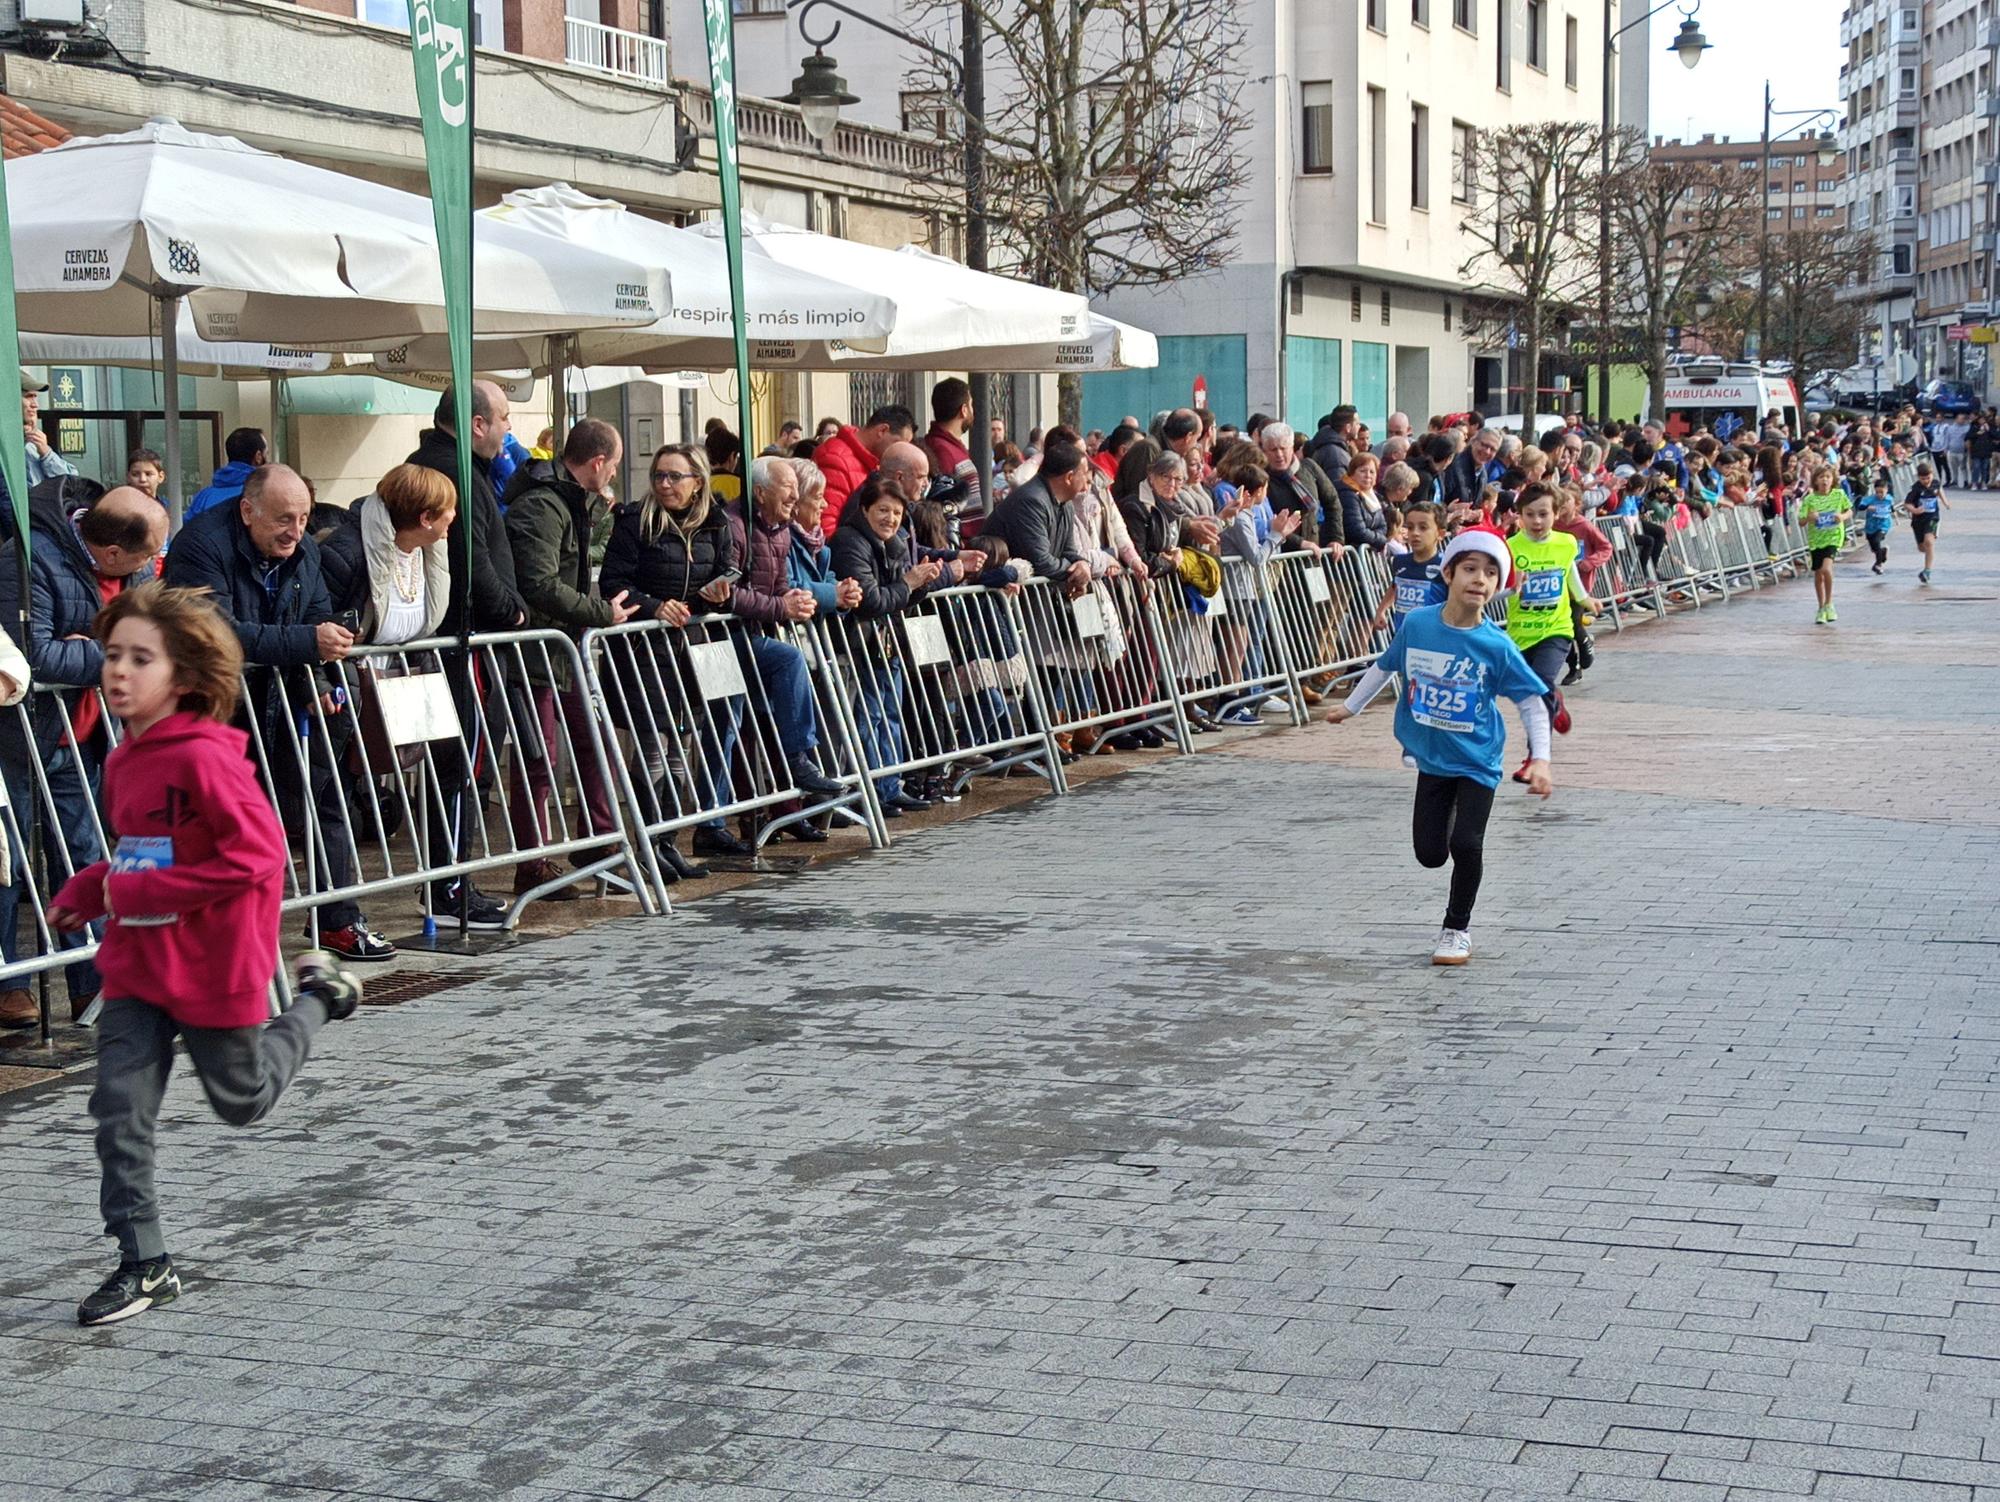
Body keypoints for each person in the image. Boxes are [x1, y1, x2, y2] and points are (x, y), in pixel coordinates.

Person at [48, 584, 361, 1327]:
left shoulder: (206, 759)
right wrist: (92, 887)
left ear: (184, 676)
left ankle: (322, 996)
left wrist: (135, 890)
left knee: (244, 1100)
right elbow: (138, 856)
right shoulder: (124, 760)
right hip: (138, 967)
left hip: (215, 963)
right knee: (119, 1111)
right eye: (111, 655)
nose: (117, 672)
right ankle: (144, 1262)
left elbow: (257, 858)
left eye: (138, 659)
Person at [163, 464, 396, 963]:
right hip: (218, 703)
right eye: (284, 520)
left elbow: (318, 614)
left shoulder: (304, 548)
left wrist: (323, 677)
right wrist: (305, 644)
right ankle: (218, 934)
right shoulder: (200, 546)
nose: (296, 531)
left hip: (284, 693)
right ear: (248, 511)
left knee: (327, 799)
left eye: (305, 517)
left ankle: (338, 919)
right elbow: (217, 634)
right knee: (223, 821)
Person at [1327, 528, 1553, 967]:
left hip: (1477, 760)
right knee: (1430, 854)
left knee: (1467, 845)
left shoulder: (1496, 645)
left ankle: (1456, 929)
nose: (1480, 580)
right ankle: (1448, 827)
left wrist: (1540, 758)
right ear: (1447, 573)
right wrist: (1351, 707)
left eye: (1491, 573)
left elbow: (1530, 700)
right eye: (1470, 569)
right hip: (1431, 758)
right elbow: (1386, 665)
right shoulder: (1418, 624)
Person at [0, 484, 164, 1027]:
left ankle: (93, 981)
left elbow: (153, 634)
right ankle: (8, 982)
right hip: (17, 740)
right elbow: (35, 657)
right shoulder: (29, 558)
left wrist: (90, 649)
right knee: (10, 865)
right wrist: (115, 654)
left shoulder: (131, 566)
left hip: (80, 736)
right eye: (148, 557)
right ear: (112, 553)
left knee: (84, 855)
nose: (153, 567)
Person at [406, 381, 524, 928]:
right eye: (502, 418)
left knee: (457, 764)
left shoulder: (447, 465)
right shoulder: (452, 472)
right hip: (461, 642)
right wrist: (514, 612)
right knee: (461, 763)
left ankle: (449, 879)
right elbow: (471, 564)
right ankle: (449, 883)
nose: (507, 429)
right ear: (477, 423)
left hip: (455, 640)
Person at [502, 419, 637, 893]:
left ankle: (598, 846)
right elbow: (538, 582)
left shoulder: (572, 502)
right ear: (597, 462)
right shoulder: (543, 504)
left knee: (596, 742)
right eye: (614, 466)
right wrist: (599, 611)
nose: (615, 476)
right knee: (539, 759)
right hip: (538, 650)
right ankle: (533, 863)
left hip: (565, 647)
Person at [829, 475, 941, 816]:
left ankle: (890, 785)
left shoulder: (895, 541)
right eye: (882, 510)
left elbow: (900, 597)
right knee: (869, 716)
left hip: (885, 642)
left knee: (890, 713)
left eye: (896, 512)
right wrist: (909, 582)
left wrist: (921, 581)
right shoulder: (851, 542)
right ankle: (872, 788)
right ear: (864, 510)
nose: (889, 519)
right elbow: (872, 600)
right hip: (859, 644)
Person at [1504, 483, 1589, 763]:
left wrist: (1585, 598)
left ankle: (1535, 756)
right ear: (1520, 516)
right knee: (1531, 694)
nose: (1537, 521)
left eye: (1543, 514)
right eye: (1530, 514)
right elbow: (1498, 585)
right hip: (1521, 633)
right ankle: (1557, 703)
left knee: (1540, 683)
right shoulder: (1510, 547)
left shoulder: (1565, 543)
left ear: (1556, 514)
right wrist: (1511, 588)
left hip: (1556, 629)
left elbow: (1570, 573)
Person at [818, 405, 918, 520]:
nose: (900, 452)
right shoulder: (834, 458)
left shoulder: (875, 461)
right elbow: (827, 522)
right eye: (898, 444)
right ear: (882, 430)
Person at [1373, 500, 1445, 637]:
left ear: (1440, 534)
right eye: (1410, 527)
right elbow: (1395, 586)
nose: (1415, 533)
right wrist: (1381, 610)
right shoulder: (1400, 561)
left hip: (1433, 637)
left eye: (1423, 528)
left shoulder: (1446, 565)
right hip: (1403, 636)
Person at [922, 378, 983, 520]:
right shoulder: (942, 450)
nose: (973, 411)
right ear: (964, 410)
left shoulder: (951, 446)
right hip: (958, 538)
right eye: (971, 405)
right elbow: (942, 505)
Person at [1799, 463, 1851, 625]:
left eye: (1828, 477)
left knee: (1826, 568)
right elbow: (1801, 521)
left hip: (1834, 537)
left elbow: (1849, 510)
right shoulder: (1809, 499)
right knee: (1818, 574)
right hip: (1816, 540)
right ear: (1815, 480)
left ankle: (1829, 603)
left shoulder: (1839, 494)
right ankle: (1821, 607)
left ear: (1832, 479)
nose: (1825, 480)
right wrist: (1809, 518)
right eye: (1821, 477)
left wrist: (1842, 517)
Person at [183, 428, 269, 522]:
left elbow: (188, 532)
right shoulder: (267, 494)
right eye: (267, 453)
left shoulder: (203, 497)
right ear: (258, 457)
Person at [20, 371, 77, 489]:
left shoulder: (33, 446)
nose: (35, 405)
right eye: (28, 396)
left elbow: (72, 484)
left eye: (35, 397)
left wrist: (46, 453)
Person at [1904, 460, 1949, 583]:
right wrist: (1915, 510)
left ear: (1932, 475)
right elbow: (1907, 504)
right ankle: (1928, 552)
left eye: (1928, 478)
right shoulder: (1916, 489)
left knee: (1929, 542)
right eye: (1923, 479)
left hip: (1932, 517)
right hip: (1918, 520)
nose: (1926, 481)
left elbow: (1939, 490)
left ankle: (1927, 571)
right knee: (1922, 548)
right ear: (1918, 477)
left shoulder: (1935, 483)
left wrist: (1945, 502)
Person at [1860, 471, 1896, 575]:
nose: (1879, 495)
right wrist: (1867, 507)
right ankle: (1882, 552)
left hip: (1883, 525)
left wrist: (1892, 511)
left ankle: (1878, 565)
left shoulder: (1889, 499)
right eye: (1877, 492)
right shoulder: (1870, 499)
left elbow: (1892, 509)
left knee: (1876, 541)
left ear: (1886, 490)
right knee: (1874, 547)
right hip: (1871, 526)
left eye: (1882, 492)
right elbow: (1860, 506)